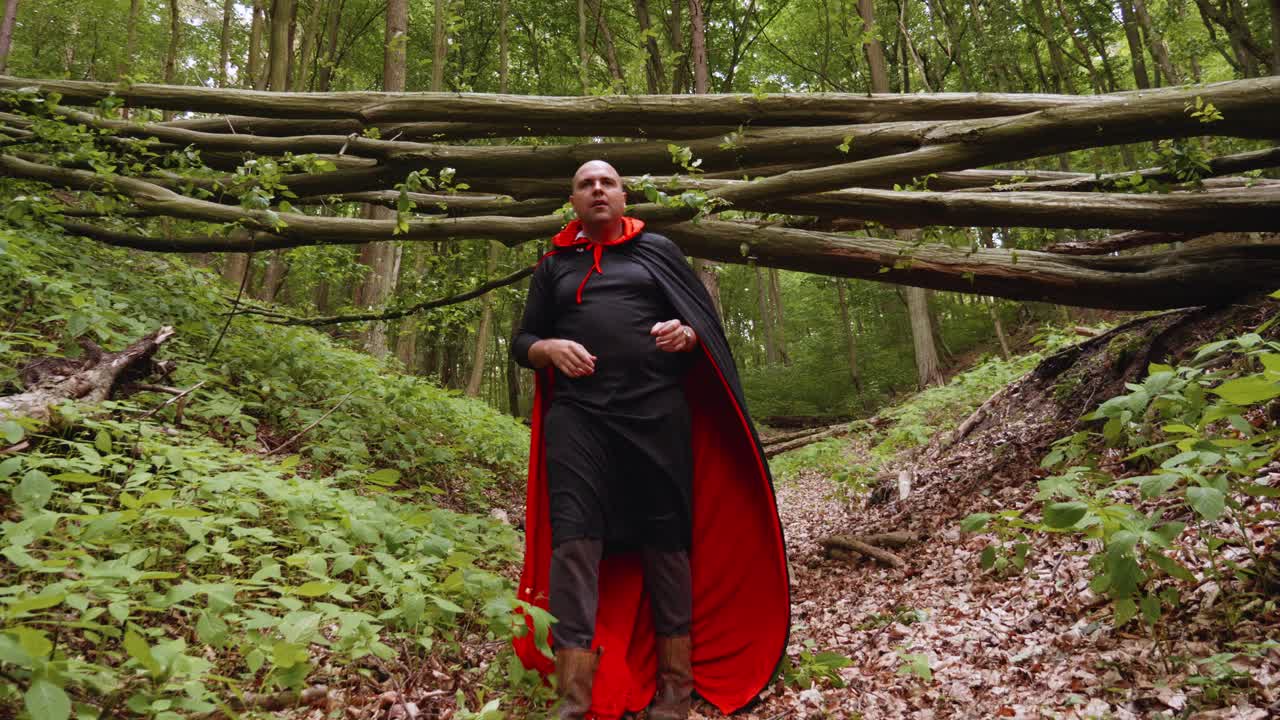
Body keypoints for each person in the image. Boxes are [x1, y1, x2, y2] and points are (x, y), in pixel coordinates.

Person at [511, 160, 789, 720]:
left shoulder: (658, 252)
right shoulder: (554, 266)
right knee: (573, 543)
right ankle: (574, 698)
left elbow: (703, 330)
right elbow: (523, 338)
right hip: (578, 418)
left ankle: (675, 691)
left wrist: (686, 334)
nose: (596, 190)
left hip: (656, 415)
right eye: (586, 184)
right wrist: (546, 350)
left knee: (666, 545)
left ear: (622, 195)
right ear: (573, 201)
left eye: (606, 182)